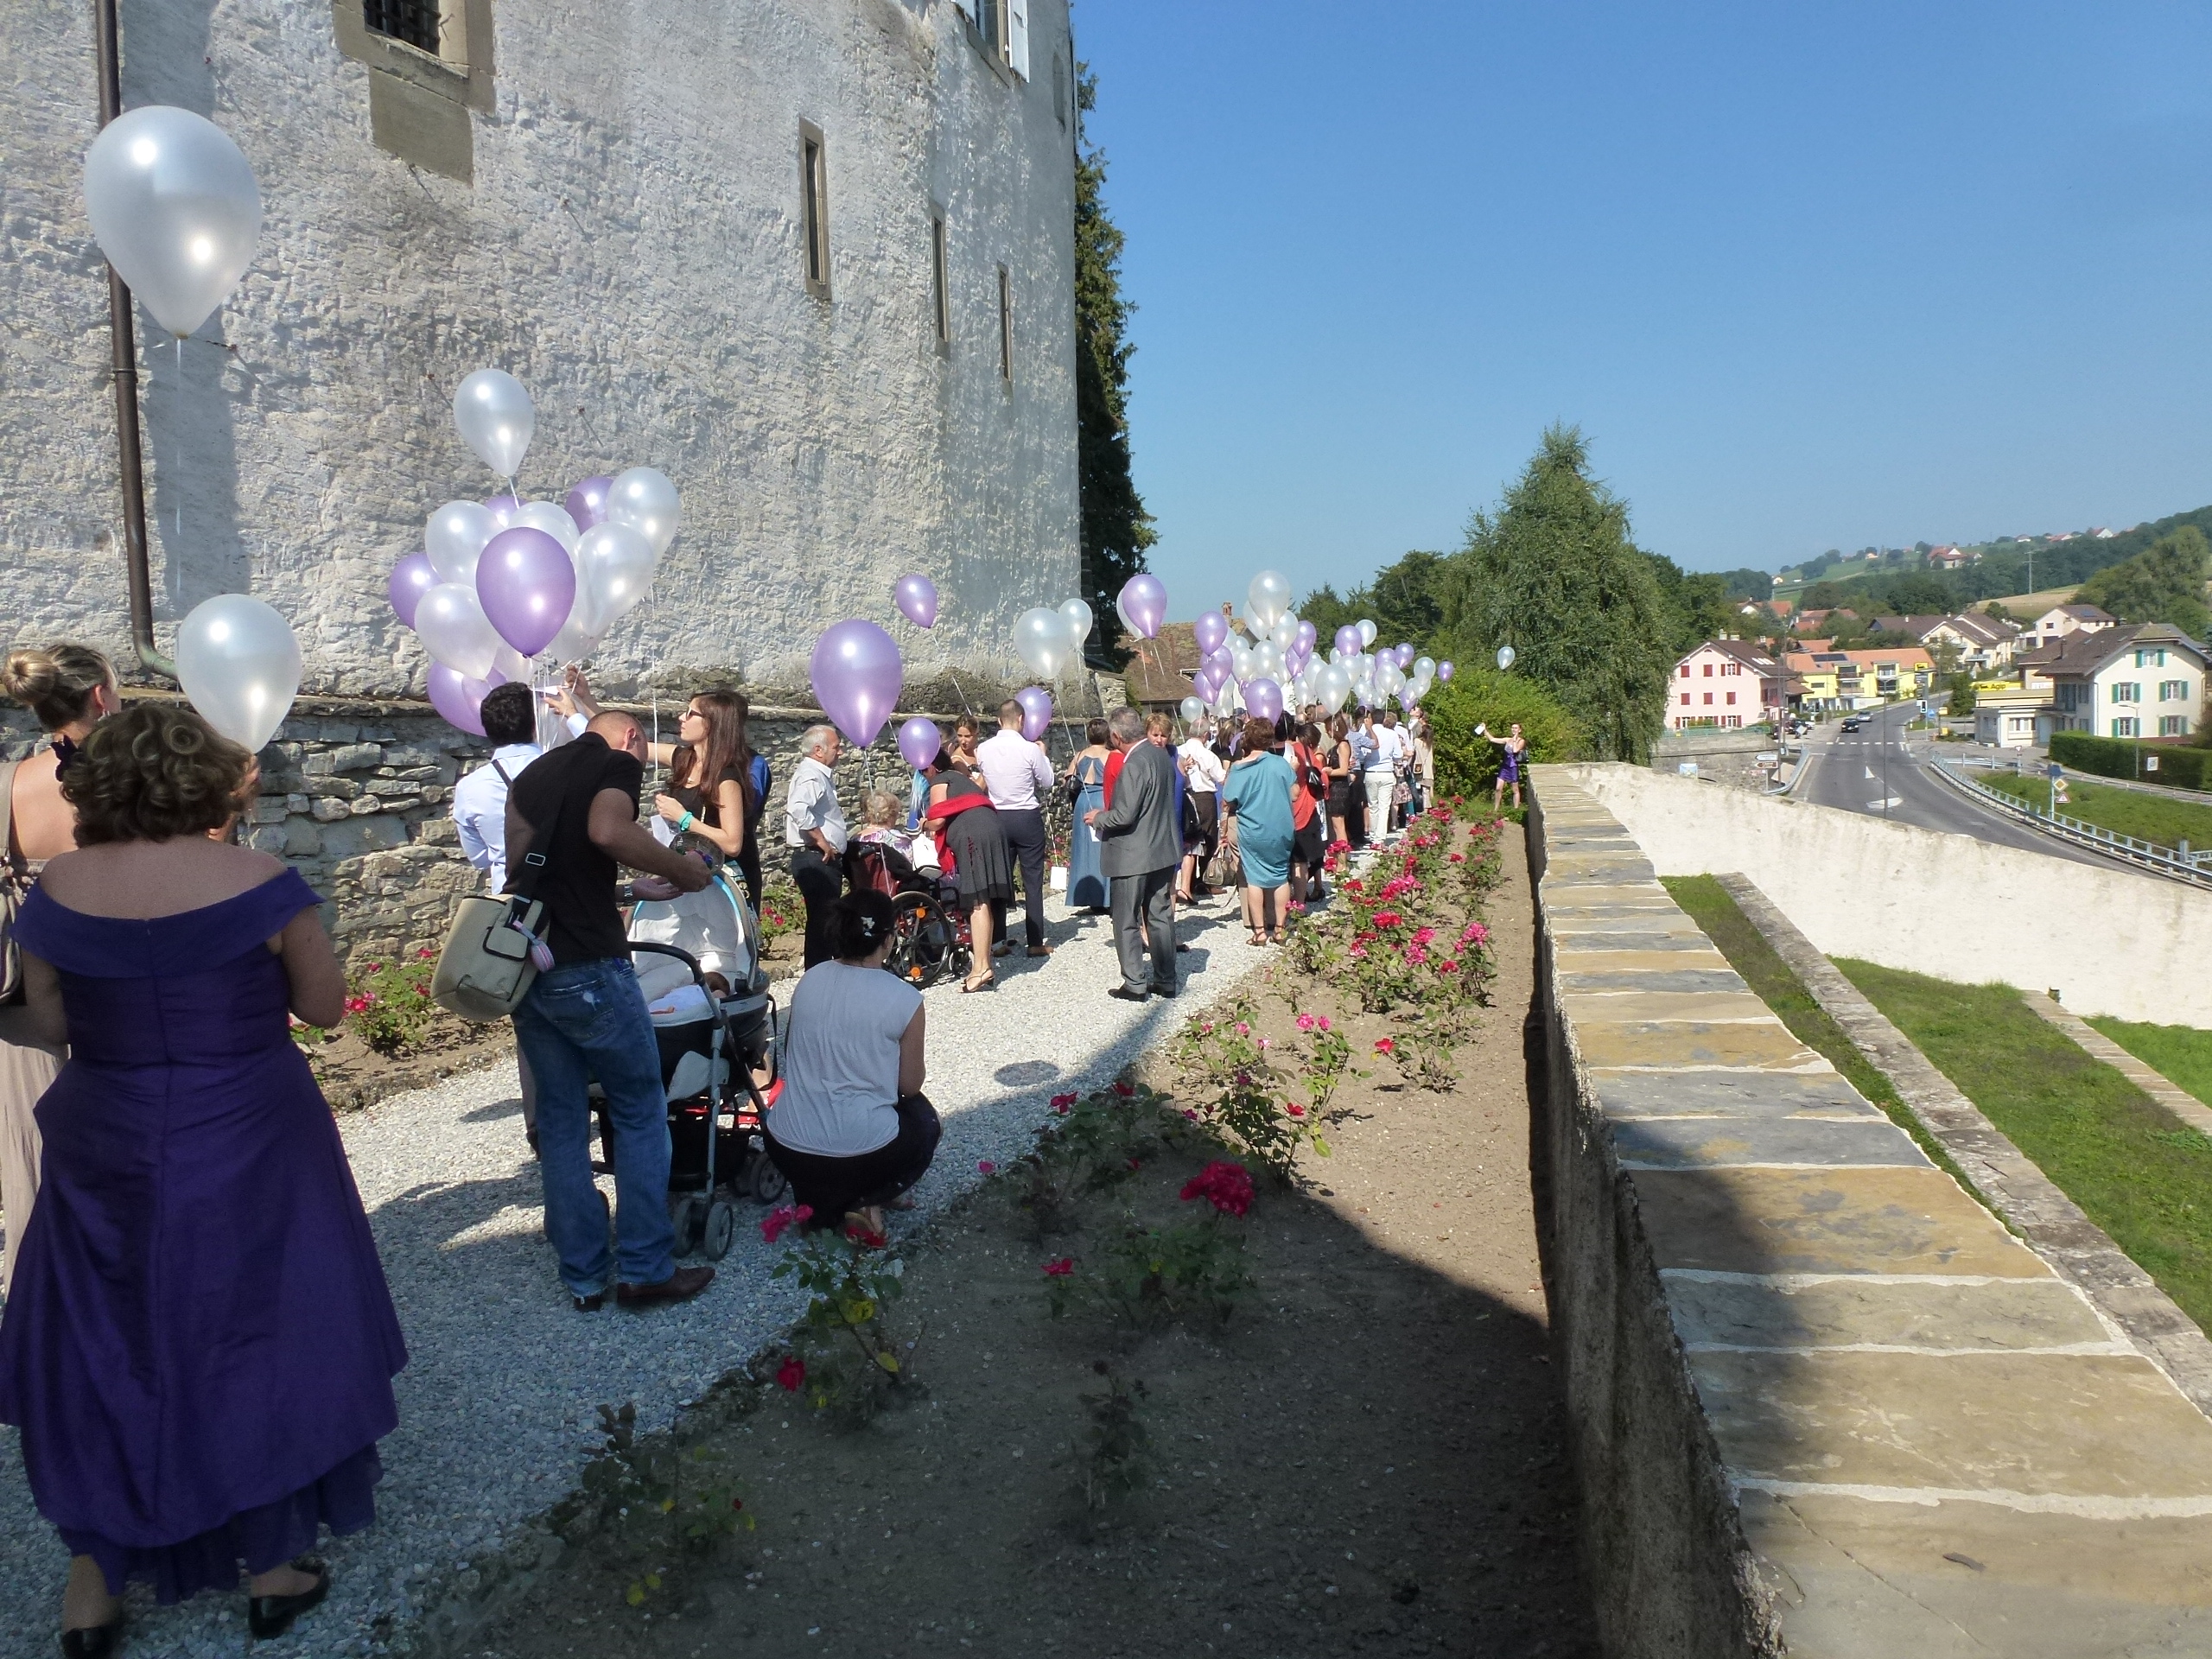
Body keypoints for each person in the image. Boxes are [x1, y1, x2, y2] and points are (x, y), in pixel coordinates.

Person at [0, 703, 406, 1648]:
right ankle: (270, 1566)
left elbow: (52, 1025)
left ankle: (93, 1588)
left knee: (106, 1335)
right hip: (250, 1134)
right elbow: (325, 1008)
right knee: (256, 1329)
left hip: (109, 1136)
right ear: (205, 781)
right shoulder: (260, 882)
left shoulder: (60, 888)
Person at [506, 710, 715, 1313]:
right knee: (640, 1109)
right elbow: (605, 830)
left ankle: (584, 1274)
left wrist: (625, 891)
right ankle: (647, 1268)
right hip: (592, 967)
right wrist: (682, 869)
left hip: (531, 966)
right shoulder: (615, 760)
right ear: (632, 737)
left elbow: (534, 873)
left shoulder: (533, 774)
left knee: (563, 1121)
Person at [0, 644, 118, 1301]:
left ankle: (38, 1309)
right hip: (116, 982)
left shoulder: (5, 784)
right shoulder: (131, 784)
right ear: (100, 695)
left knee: (32, 1155)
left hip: (19, 987)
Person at [763, 891, 938, 1238]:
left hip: (785, 1144)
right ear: (889, 939)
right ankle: (866, 1200)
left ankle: (820, 1206)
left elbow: (793, 1048)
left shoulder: (810, 979)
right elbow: (909, 1085)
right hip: (860, 1150)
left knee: (826, 1148)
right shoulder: (905, 998)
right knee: (926, 1122)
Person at [564, 674, 770, 912]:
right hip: (688, 875)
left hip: (721, 885)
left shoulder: (727, 777)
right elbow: (624, 738)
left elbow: (732, 844)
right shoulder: (684, 758)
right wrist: (585, 700)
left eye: (691, 713)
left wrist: (683, 817)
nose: (681, 717)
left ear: (712, 724)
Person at [1088, 707, 1180, 1001]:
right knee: (1160, 916)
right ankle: (1166, 980)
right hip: (1162, 848)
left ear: (1116, 736)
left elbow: (1124, 815)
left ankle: (1135, 983)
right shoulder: (1163, 756)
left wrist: (1098, 818)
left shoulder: (1134, 764)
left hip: (1132, 854)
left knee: (1126, 918)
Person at [919, 748, 1011, 993]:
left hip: (973, 835)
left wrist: (924, 823)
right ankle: (984, 963)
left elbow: (938, 819)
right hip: (992, 828)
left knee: (977, 901)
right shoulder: (961, 778)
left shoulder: (940, 780)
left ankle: (981, 968)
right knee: (985, 900)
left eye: (922, 771)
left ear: (932, 768)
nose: (923, 776)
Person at [976, 700, 1054, 959]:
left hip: (997, 816)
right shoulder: (1030, 749)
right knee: (1033, 881)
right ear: (1021, 719)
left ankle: (998, 941)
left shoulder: (983, 749)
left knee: (999, 879)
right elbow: (1047, 781)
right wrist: (1043, 755)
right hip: (1026, 815)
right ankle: (1035, 941)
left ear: (999, 721)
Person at [1220, 717, 1299, 946]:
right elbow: (1295, 794)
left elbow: (1227, 799)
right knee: (1280, 877)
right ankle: (1280, 930)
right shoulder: (1280, 764)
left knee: (1254, 879)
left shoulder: (1239, 767)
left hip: (1252, 829)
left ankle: (1260, 932)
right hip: (1281, 828)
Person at [785, 723, 849, 970]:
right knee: (822, 924)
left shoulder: (817, 774)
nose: (841, 752)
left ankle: (821, 976)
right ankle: (819, 977)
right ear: (818, 750)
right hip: (816, 857)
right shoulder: (811, 775)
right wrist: (821, 840)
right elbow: (798, 808)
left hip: (818, 857)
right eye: (836, 747)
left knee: (823, 922)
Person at [1176, 716, 1227, 903]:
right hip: (1204, 797)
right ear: (1205, 735)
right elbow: (1221, 778)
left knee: (1189, 840)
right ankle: (1206, 880)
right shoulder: (1208, 755)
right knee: (1208, 838)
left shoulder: (1178, 751)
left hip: (1183, 796)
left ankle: (1187, 883)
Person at [1063, 719, 1111, 912]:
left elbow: (1067, 779)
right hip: (1102, 800)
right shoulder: (1109, 756)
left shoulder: (1080, 755)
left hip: (1083, 801)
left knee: (1083, 850)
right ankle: (1105, 896)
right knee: (1102, 849)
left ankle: (1086, 895)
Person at [1287, 721, 1329, 903]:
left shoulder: (1272, 752)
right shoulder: (1304, 752)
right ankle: (1300, 900)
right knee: (1302, 859)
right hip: (1306, 807)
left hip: (1280, 810)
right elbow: (1323, 780)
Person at [856, 790, 939, 875]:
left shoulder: (856, 839)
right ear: (891, 815)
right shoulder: (897, 839)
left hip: (863, 882)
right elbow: (914, 865)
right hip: (896, 882)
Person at [1361, 709, 1401, 845]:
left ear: (1371, 719)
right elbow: (1398, 755)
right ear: (1384, 719)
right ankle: (1380, 838)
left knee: (1373, 806)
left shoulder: (1367, 733)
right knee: (1384, 807)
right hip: (1386, 772)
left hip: (1371, 772)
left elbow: (1362, 754)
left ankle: (1373, 836)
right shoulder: (1392, 734)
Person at [1321, 713, 1357, 855]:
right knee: (1336, 824)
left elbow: (1343, 770)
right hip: (1335, 787)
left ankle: (1342, 858)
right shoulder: (1338, 745)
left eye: (1328, 730)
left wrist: (1328, 771)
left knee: (1339, 825)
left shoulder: (1343, 745)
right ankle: (1339, 855)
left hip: (1339, 789)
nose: (1327, 733)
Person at [1486, 721, 1529, 810]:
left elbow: (1515, 750)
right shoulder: (1507, 740)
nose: (1514, 729)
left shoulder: (1521, 741)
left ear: (1520, 730)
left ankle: (1516, 810)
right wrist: (1484, 730)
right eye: (1512, 728)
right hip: (1505, 766)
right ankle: (1496, 809)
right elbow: (1492, 739)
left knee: (1515, 790)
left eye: (1516, 728)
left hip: (1513, 766)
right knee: (1498, 788)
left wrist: (1515, 740)